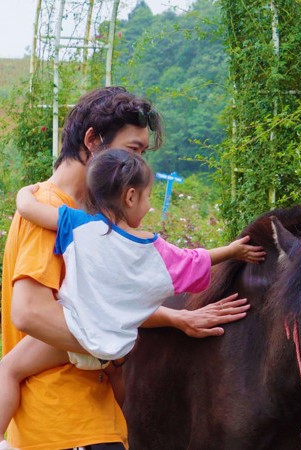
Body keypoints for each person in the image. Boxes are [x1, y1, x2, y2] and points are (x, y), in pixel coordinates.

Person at [1, 86, 252, 450]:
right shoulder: (53, 209)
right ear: (92, 141)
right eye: (133, 150)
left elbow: (103, 300)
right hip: (62, 426)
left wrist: (173, 318)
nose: (139, 167)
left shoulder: (88, 223)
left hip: (89, 422)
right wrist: (112, 350)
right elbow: (30, 312)